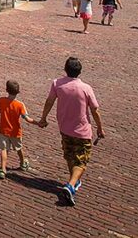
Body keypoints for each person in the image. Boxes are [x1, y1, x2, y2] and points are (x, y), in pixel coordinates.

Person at [37, 57, 105, 206]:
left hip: (65, 128)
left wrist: (43, 118)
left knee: (69, 155)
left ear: (65, 69)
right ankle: (70, 184)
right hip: (82, 131)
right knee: (82, 161)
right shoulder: (86, 88)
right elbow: (95, 110)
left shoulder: (57, 84)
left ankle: (73, 184)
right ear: (80, 71)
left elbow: (49, 101)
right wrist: (100, 127)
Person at [0, 80, 39, 179]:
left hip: (3, 129)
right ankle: (23, 163)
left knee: (4, 149)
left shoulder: (1, 100)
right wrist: (38, 123)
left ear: (6, 90)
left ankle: (2, 169)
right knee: (19, 148)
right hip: (15, 131)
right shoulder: (20, 105)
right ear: (18, 92)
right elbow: (27, 118)